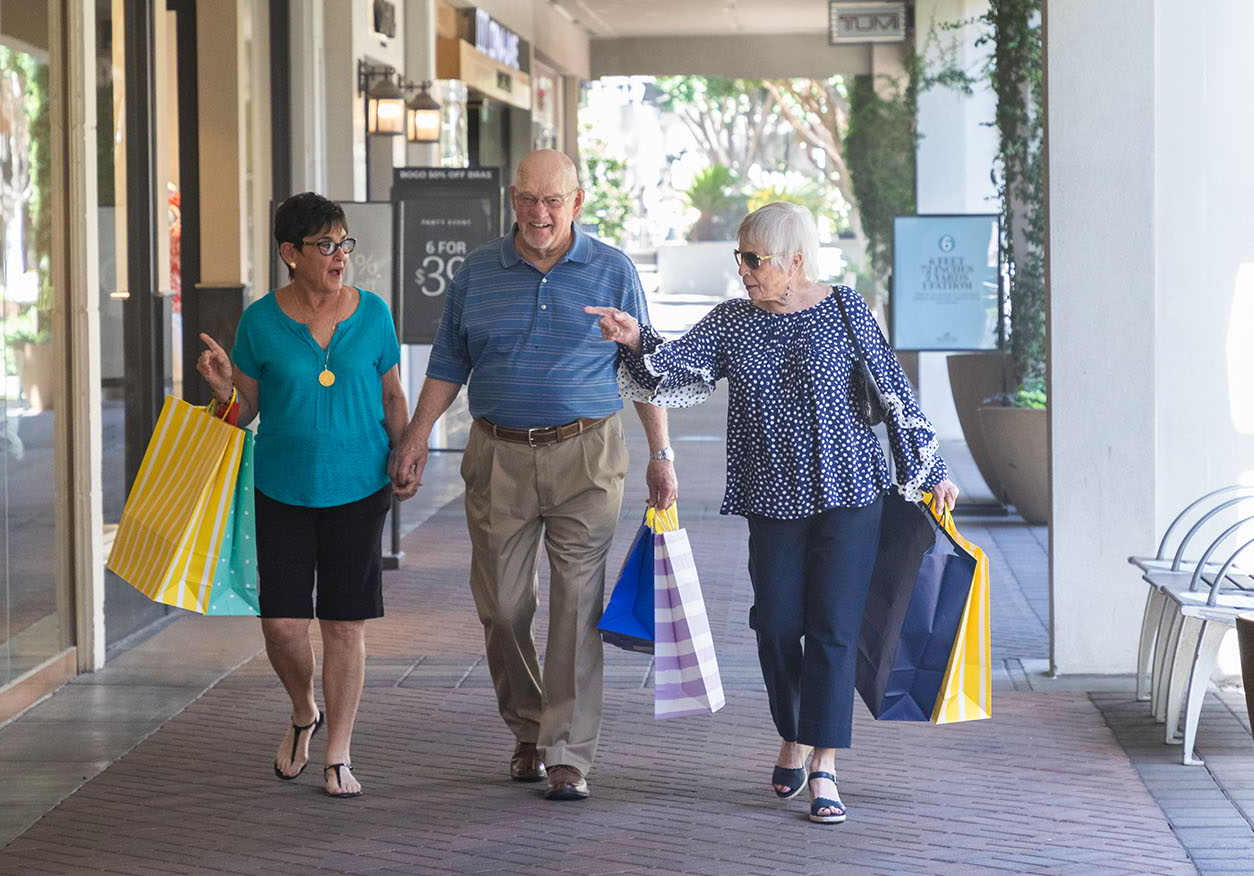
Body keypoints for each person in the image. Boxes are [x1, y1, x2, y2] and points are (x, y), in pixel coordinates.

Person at [586, 201, 959, 824]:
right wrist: (634, 340)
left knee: (835, 627)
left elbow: (893, 387)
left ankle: (825, 764)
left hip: (850, 492)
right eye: (741, 256)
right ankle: (793, 729)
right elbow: (677, 369)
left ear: (795, 261)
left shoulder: (844, 310)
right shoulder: (733, 320)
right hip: (772, 496)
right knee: (781, 623)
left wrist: (931, 468)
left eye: (756, 259)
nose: (746, 270)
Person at [388, 149, 677, 802]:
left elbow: (643, 364)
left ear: (576, 203)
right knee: (503, 606)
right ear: (511, 200)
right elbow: (448, 362)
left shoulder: (612, 269)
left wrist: (661, 453)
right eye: (527, 200)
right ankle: (529, 725)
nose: (539, 214)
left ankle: (567, 752)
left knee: (577, 604)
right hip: (499, 454)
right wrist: (414, 437)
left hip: (588, 454)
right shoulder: (477, 272)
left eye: (553, 201)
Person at [196, 192, 412, 799]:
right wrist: (221, 392)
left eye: (344, 242)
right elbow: (244, 414)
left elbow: (392, 398)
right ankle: (302, 711)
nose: (339, 255)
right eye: (325, 245)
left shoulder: (373, 314)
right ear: (290, 253)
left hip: (358, 487)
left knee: (345, 624)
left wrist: (405, 456)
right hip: (282, 490)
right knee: (283, 627)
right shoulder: (262, 322)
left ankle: (338, 751)